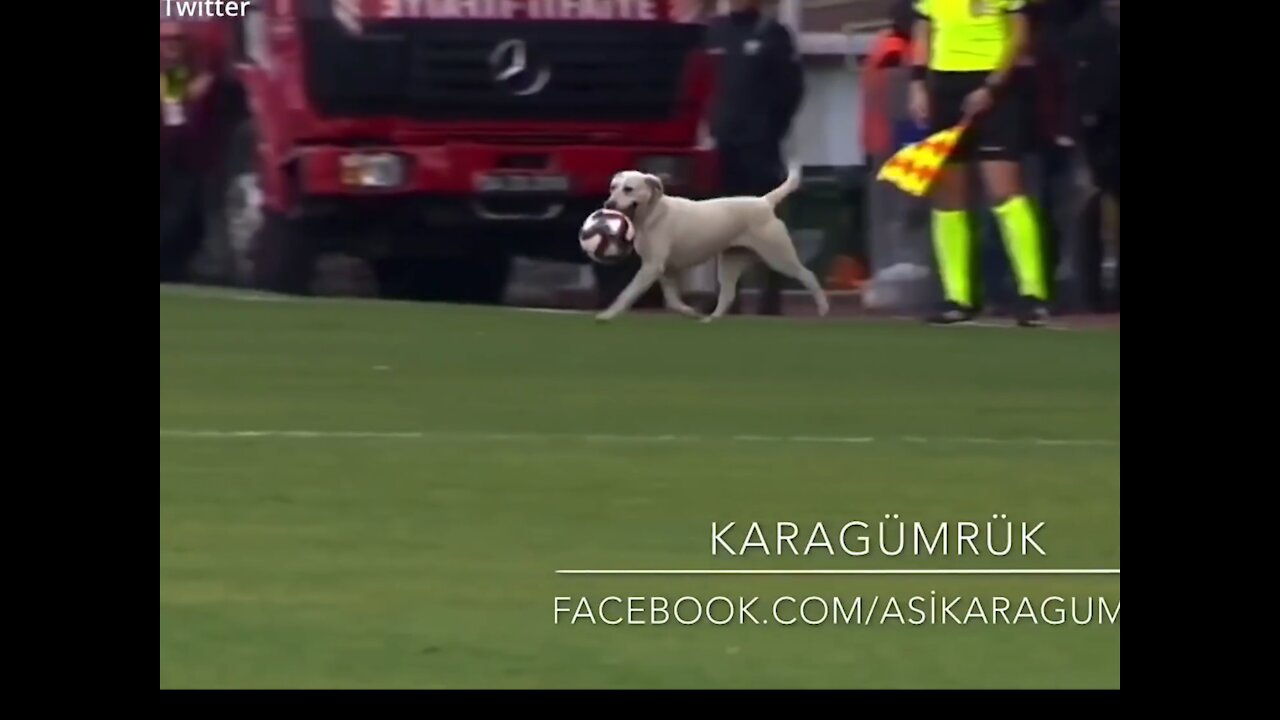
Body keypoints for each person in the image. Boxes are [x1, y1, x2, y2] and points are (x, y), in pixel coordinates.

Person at [909, 0, 1051, 326]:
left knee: (1004, 190)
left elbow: (1019, 36)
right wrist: (917, 84)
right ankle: (957, 296)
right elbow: (923, 31)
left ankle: (1032, 293)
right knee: (948, 197)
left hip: (996, 88)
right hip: (943, 85)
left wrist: (993, 85)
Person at [705, 0, 805, 315]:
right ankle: (728, 295)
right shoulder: (713, 33)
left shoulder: (774, 35)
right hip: (722, 141)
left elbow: (792, 88)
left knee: (765, 218)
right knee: (722, 220)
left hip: (761, 143)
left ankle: (770, 295)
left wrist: (772, 127)